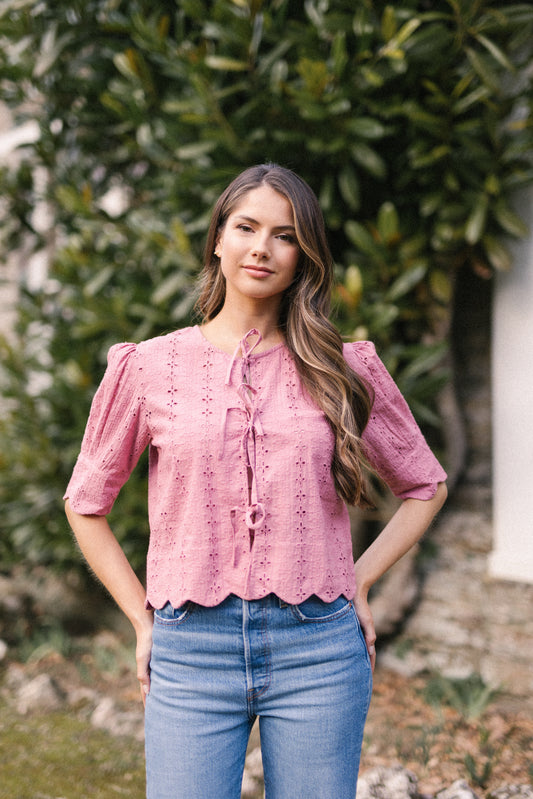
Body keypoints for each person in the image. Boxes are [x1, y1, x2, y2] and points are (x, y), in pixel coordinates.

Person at [65, 163, 447, 799]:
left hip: (319, 648)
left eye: (286, 234)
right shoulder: (150, 367)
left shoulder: (342, 366)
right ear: (218, 237)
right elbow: (86, 503)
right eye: (247, 227)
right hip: (189, 651)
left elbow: (423, 485)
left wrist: (359, 577)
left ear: (305, 256)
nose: (262, 248)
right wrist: (141, 618)